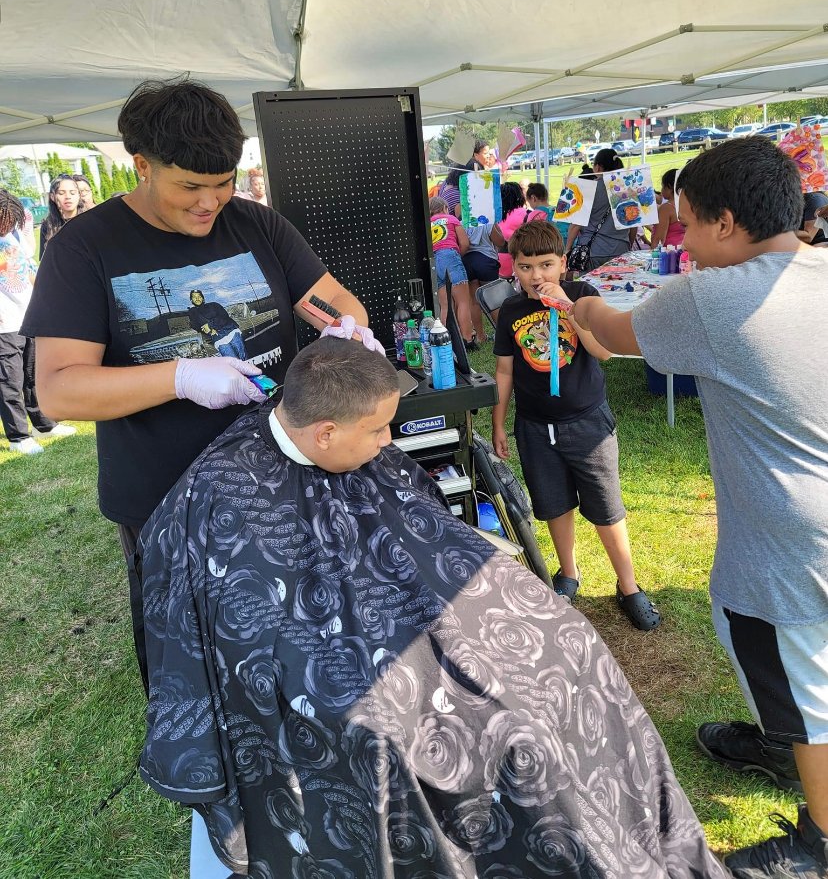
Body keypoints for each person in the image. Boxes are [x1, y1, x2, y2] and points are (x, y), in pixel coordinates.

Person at [139, 336, 726, 879]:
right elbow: (230, 643)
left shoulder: (359, 452)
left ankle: (610, 839)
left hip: (424, 612)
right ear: (325, 433)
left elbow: (434, 534)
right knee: (402, 731)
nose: (388, 443)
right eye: (378, 430)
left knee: (568, 642)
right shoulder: (214, 498)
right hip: (345, 669)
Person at [21, 77, 373, 689]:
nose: (210, 203)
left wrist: (344, 327)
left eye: (223, 183)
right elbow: (58, 389)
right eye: (189, 186)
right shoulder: (84, 247)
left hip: (276, 478)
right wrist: (179, 376)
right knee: (193, 660)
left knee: (289, 644)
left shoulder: (256, 224)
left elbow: (330, 300)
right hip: (167, 498)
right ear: (142, 165)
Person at [572, 137, 828, 878]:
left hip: (789, 540)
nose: (679, 240)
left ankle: (818, 839)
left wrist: (578, 298)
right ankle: (787, 744)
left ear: (724, 222)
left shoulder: (707, 299)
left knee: (802, 676)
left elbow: (613, 333)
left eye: (685, 224)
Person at [492, 220, 659, 631]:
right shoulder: (511, 310)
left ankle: (628, 584)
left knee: (606, 507)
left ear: (563, 263)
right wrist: (499, 423)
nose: (536, 276)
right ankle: (568, 572)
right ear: (514, 268)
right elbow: (504, 371)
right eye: (526, 267)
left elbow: (602, 352)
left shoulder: (583, 295)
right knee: (554, 503)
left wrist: (568, 306)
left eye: (546, 265)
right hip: (535, 426)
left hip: (587, 423)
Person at [0, 190, 74, 454]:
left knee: (34, 374)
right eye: (4, 220)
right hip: (3, 324)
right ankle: (18, 436)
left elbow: (29, 268)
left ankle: (45, 424)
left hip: (28, 315)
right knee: (10, 380)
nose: (7, 225)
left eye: (11, 220)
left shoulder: (14, 235)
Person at [565, 149, 636, 270]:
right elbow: (633, 224)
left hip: (592, 251)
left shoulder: (586, 189)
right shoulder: (629, 188)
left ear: (598, 167)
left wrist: (567, 249)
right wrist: (628, 244)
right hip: (620, 250)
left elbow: (576, 225)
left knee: (591, 283)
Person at [429, 195, 475, 346]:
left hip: (434, 261)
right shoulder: (451, 219)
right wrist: (457, 256)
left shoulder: (428, 223)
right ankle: (467, 339)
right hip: (450, 256)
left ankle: (446, 341)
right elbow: (465, 243)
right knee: (463, 302)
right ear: (445, 208)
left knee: (445, 305)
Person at [496, 181, 546, 278]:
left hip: (498, 264)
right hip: (519, 264)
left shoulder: (495, 216)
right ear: (520, 196)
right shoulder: (527, 214)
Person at [39, 174, 82, 256]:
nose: (68, 197)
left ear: (79, 195)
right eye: (61, 193)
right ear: (52, 196)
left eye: (72, 193)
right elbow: (44, 259)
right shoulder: (48, 226)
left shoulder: (89, 220)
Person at [649, 169, 685, 249]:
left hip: (669, 253)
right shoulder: (688, 204)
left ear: (669, 187)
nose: (661, 190)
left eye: (662, 186)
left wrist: (653, 253)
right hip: (684, 250)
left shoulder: (666, 208)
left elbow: (659, 239)